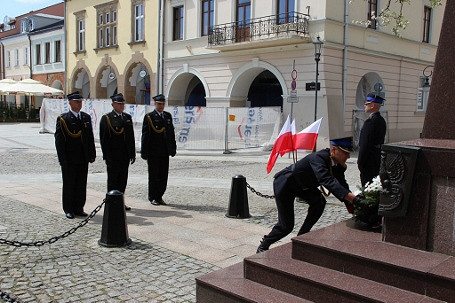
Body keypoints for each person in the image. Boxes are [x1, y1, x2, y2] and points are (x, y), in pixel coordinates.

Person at [256, 137, 363, 253]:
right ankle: (264, 244)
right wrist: (354, 199)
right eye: (345, 153)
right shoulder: (319, 158)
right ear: (334, 149)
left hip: (303, 187)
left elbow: (342, 185)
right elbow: (326, 180)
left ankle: (302, 235)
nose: (348, 156)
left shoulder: (337, 164)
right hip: (285, 184)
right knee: (286, 226)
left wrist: (354, 206)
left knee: (319, 202)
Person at [55, 91, 96, 219]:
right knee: (69, 184)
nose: (79, 104)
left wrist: (92, 153)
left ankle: (79, 207)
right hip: (70, 158)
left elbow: (89, 137)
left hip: (83, 157)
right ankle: (68, 208)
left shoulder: (85, 118)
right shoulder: (63, 119)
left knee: (81, 183)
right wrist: (62, 159)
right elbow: (60, 141)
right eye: (76, 102)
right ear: (70, 103)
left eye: (80, 102)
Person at [99, 93, 136, 211]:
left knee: (122, 180)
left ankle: (120, 201)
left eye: (122, 104)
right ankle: (111, 203)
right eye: (119, 104)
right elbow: (104, 139)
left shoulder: (127, 117)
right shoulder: (107, 118)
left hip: (124, 155)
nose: (121, 106)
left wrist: (132, 153)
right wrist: (106, 155)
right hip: (113, 155)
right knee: (113, 180)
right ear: (113, 104)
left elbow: (131, 137)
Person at [141, 94, 176, 206]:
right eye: (159, 104)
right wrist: (144, 151)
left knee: (163, 175)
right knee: (154, 175)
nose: (161, 106)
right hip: (153, 151)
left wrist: (172, 147)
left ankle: (160, 195)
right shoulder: (149, 117)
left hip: (164, 151)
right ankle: (153, 197)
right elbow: (146, 135)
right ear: (155, 104)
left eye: (163, 104)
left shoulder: (167, 116)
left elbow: (171, 133)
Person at [357, 93, 387, 187]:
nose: (365, 105)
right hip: (377, 157)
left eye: (367, 103)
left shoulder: (370, 122)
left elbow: (365, 145)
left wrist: (360, 162)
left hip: (369, 159)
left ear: (372, 105)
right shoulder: (381, 120)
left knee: (367, 186)